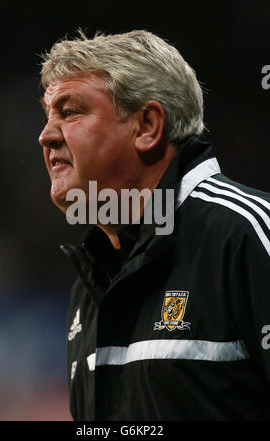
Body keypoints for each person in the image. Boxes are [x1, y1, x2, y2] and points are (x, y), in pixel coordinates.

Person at [38, 29, 270, 421]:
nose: (46, 135)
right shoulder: (92, 282)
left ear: (147, 125)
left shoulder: (246, 235)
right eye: (48, 115)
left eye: (70, 111)